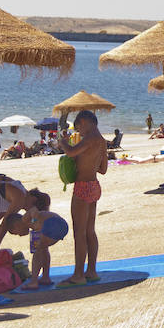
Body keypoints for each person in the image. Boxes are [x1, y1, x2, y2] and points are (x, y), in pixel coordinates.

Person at [56, 110, 108, 287]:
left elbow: (70, 152)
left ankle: (78, 275)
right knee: (90, 231)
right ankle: (91, 271)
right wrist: (86, 160)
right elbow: (103, 169)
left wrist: (63, 142)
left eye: (79, 128)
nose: (79, 132)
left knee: (79, 232)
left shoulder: (90, 137)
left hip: (83, 187)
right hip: (94, 185)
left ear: (84, 122)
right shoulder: (101, 140)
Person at [18, 201, 69, 289]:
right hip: (60, 225)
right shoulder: (35, 229)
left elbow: (33, 210)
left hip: (53, 223)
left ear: (16, 225)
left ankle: (34, 282)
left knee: (37, 252)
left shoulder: (24, 219)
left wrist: (34, 220)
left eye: (16, 232)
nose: (19, 235)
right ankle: (46, 277)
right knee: (44, 249)